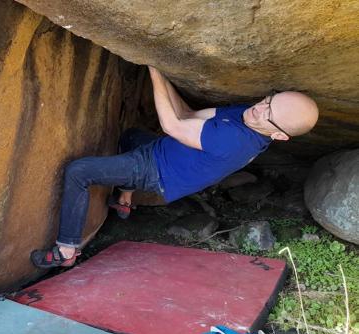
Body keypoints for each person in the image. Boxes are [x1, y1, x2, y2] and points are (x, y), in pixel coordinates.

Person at [30, 66, 318, 269]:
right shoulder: (248, 118)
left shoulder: (238, 139)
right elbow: (186, 115)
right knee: (130, 136)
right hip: (163, 154)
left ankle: (66, 250)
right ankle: (124, 199)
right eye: (269, 99)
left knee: (79, 171)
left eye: (270, 113)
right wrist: (162, 74)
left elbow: (172, 124)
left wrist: (153, 70)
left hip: (156, 171)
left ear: (280, 135)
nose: (260, 108)